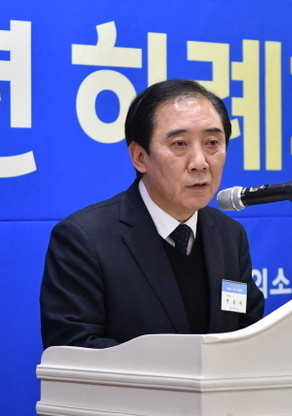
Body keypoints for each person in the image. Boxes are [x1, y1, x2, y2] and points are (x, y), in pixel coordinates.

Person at [39, 79, 265, 349]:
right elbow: (74, 348)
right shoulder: (86, 239)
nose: (200, 162)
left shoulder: (229, 235)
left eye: (212, 142)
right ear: (139, 157)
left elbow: (249, 333)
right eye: (179, 144)